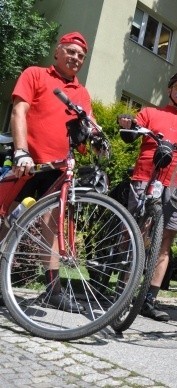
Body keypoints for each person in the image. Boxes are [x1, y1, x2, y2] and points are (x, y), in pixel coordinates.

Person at [6, 32, 93, 312]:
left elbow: (88, 125)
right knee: (4, 218)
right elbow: (19, 111)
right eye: (70, 51)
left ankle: (53, 290)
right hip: (27, 161)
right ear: (57, 51)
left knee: (51, 225)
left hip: (57, 168)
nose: (76, 58)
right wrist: (21, 151)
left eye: (81, 55)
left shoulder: (82, 93)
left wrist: (96, 139)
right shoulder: (35, 74)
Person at [118, 71, 177, 322]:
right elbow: (130, 135)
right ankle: (123, 292)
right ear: (169, 89)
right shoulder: (150, 113)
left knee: (165, 241)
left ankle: (149, 299)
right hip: (147, 177)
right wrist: (127, 125)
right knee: (137, 235)